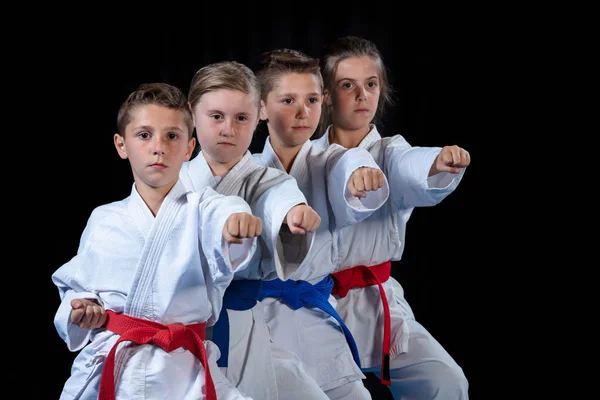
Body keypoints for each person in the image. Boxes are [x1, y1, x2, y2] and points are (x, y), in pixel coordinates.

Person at [52, 82, 262, 400]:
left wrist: (236, 221)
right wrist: (81, 309)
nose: (158, 147)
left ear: (189, 147)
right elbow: (76, 288)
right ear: (121, 145)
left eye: (172, 136)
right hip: (113, 364)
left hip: (183, 371)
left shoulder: (205, 208)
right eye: (144, 135)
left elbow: (225, 212)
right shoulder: (103, 219)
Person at [312, 35, 471, 399]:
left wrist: (436, 163)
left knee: (445, 381)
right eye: (347, 85)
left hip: (378, 301)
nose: (361, 95)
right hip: (317, 305)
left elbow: (407, 167)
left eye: (371, 85)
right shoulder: (306, 157)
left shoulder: (390, 152)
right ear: (326, 95)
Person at [179, 61, 331, 400]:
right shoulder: (172, 183)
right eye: (216, 116)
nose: (228, 129)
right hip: (179, 328)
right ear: (191, 113)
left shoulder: (268, 180)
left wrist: (294, 214)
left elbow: (278, 198)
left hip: (240, 321)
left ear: (258, 114)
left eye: (241, 118)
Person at [253, 48, 390, 400]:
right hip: (257, 323)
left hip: (314, 315)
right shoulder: (246, 171)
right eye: (288, 100)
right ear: (261, 108)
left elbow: (348, 161)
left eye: (312, 99)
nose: (303, 112)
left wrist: (361, 174)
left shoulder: (331, 159)